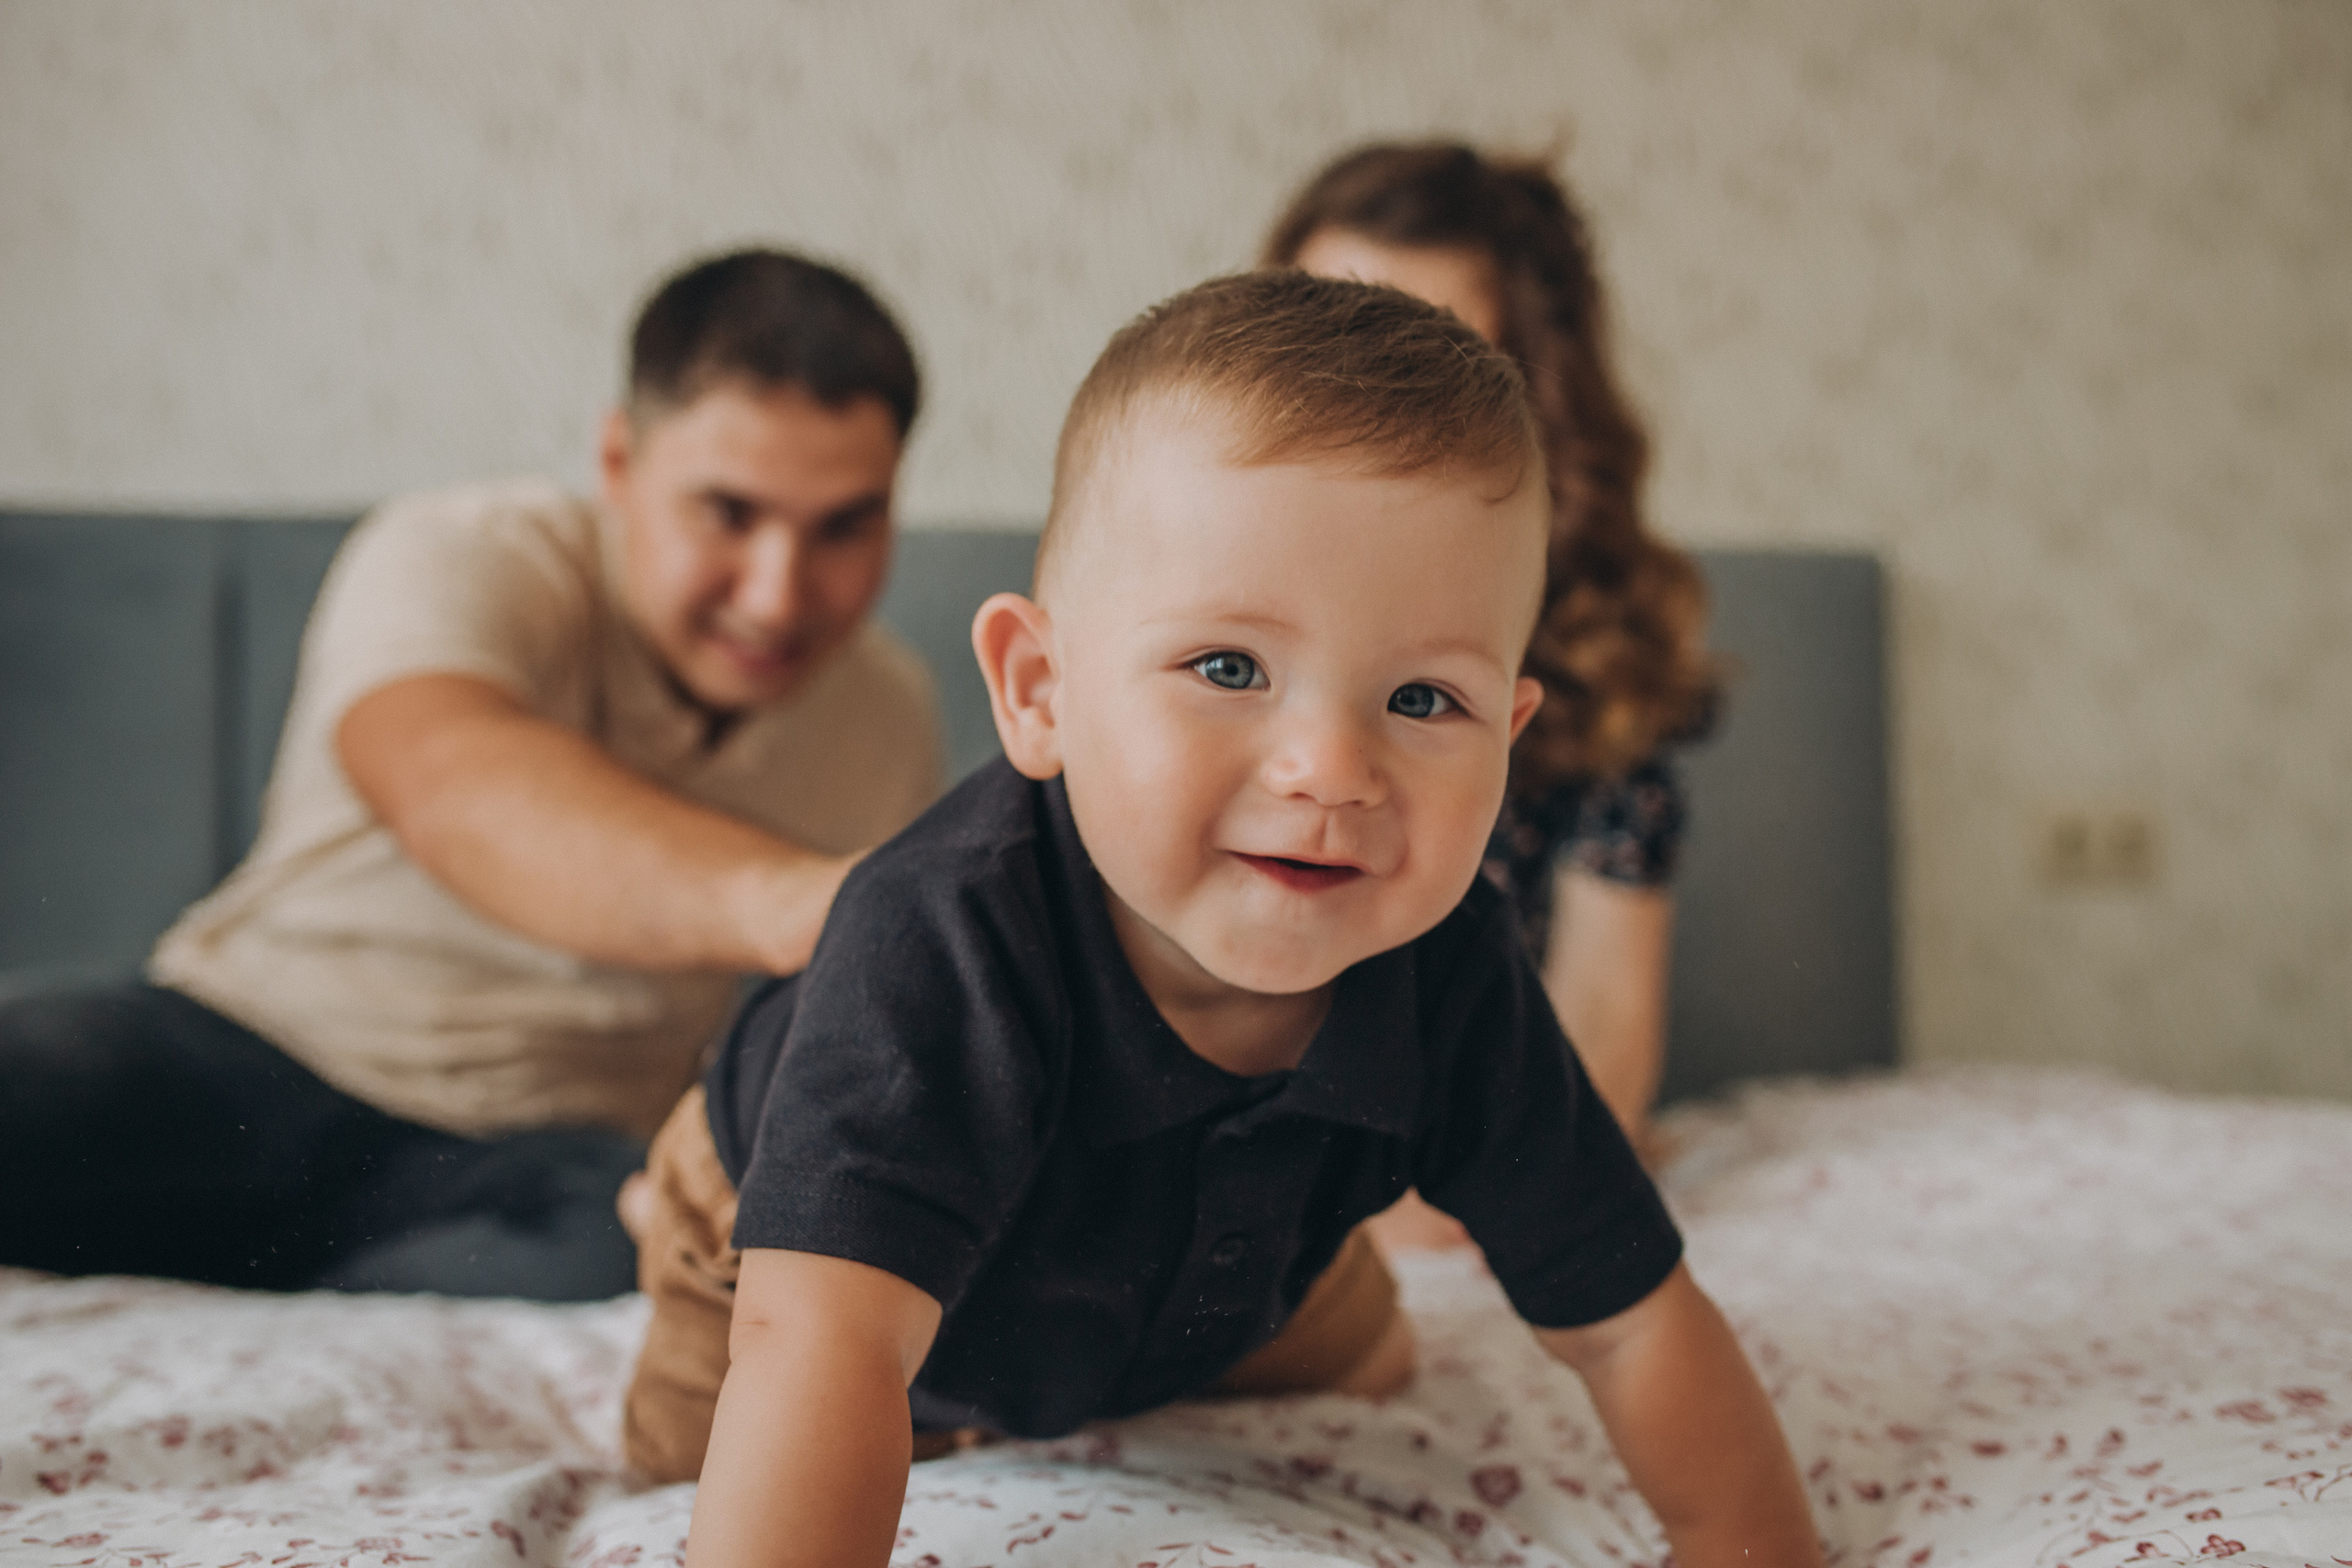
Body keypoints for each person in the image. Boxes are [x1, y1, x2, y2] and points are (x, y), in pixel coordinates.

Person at [621, 272, 1822, 1568]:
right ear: (1041, 690)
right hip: (787, 1248)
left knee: (1370, 1369)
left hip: (1230, 1260)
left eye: (1424, 698)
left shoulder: (1450, 963)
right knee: (732, 1448)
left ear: (1509, 738)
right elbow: (825, 1345)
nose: (1330, 767)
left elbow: (1630, 1317)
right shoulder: (941, 936)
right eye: (1231, 668)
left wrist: (1757, 1544)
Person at [0, 249, 942, 1301]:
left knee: (648, 1249)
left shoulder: (890, 712)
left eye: (845, 526)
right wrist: (821, 905)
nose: (776, 596)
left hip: (550, 1158)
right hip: (241, 1050)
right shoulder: (469, 549)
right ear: (620, 462)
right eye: (728, 512)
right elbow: (448, 782)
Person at [1265, 142, 1720, 1168]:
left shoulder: (1597, 667)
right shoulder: (1161, 627)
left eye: (1420, 368)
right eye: (1309, 345)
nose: (1350, 407)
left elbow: (1599, 1049)